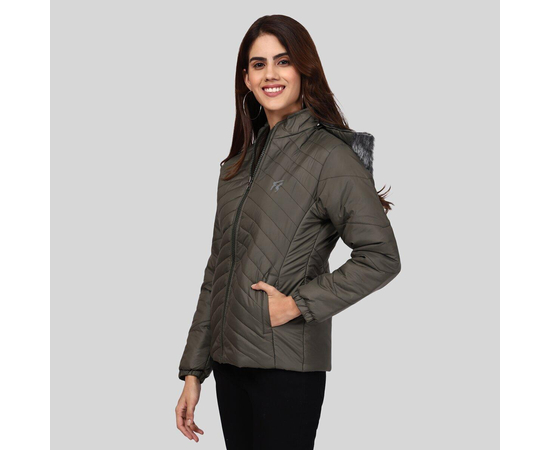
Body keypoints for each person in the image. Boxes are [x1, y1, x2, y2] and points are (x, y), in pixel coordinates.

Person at [175, 14, 402, 450]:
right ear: (246, 78)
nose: (271, 74)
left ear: (303, 70)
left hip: (286, 368)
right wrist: (193, 371)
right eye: (258, 64)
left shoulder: (330, 157)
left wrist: (298, 304)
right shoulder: (236, 167)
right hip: (229, 367)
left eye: (283, 61)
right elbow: (216, 272)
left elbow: (381, 256)